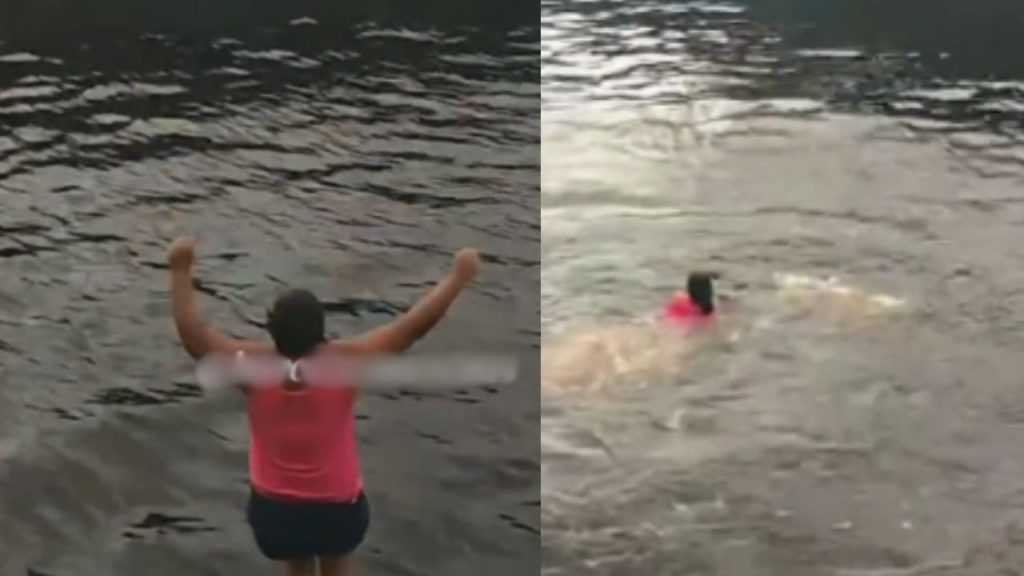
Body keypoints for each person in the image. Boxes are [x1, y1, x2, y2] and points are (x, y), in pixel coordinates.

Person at [167, 236, 482, 576]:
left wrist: (180, 269)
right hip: (338, 509)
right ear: (321, 332)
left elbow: (195, 338)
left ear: (272, 331)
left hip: (275, 511)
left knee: (296, 565)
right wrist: (459, 277)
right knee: (338, 565)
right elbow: (411, 328)